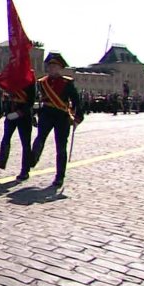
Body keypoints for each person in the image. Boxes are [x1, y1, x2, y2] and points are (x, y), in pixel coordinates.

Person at [30, 53, 84, 188]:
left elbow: (76, 101)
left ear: (60, 68)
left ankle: (60, 176)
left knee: (61, 147)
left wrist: (78, 116)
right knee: (40, 138)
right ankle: (33, 157)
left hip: (62, 116)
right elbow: (37, 100)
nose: (52, 68)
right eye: (50, 66)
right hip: (46, 114)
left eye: (55, 66)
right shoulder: (42, 82)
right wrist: (33, 114)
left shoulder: (67, 82)